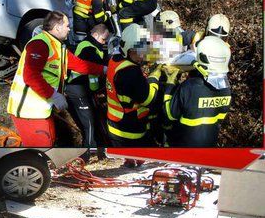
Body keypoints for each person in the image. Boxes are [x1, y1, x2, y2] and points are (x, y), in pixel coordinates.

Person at [7, 11, 70, 147]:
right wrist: (54, 95)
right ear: (58, 28)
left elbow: (76, 63)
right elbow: (30, 76)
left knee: (50, 142)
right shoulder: (40, 44)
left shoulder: (56, 46)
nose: (69, 29)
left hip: (40, 110)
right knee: (42, 148)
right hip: (27, 113)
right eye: (67, 26)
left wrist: (105, 69)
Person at [162, 36, 232, 147]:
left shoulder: (189, 87)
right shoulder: (227, 89)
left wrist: (170, 85)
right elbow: (219, 118)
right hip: (209, 146)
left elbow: (169, 114)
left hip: (183, 146)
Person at [105, 24, 161, 155]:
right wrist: (154, 77)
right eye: (142, 51)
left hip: (115, 125)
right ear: (130, 50)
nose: (145, 54)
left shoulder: (115, 59)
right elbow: (149, 99)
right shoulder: (130, 72)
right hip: (129, 132)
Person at [65, 23, 110, 160]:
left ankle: (99, 152)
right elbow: (94, 65)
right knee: (88, 123)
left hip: (85, 90)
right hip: (76, 89)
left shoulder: (95, 46)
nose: (104, 43)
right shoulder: (88, 48)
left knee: (92, 121)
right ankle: (84, 156)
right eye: (103, 39)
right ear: (95, 35)